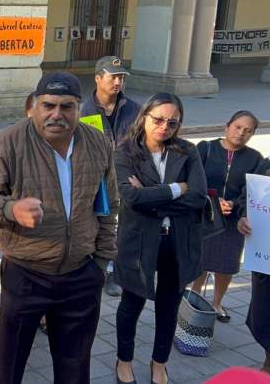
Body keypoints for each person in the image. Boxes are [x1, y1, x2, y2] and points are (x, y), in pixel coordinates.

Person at [0, 72, 118, 384]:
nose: (56, 114)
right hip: (26, 274)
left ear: (79, 108)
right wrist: (11, 209)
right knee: (10, 368)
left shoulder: (97, 143)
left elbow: (108, 206)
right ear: (35, 106)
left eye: (66, 107)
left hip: (81, 274)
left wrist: (101, 264)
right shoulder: (9, 142)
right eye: (48, 105)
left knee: (75, 367)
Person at [112, 93, 207, 384]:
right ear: (144, 117)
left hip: (176, 241)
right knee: (132, 304)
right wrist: (176, 188)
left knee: (168, 307)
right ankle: (124, 360)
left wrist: (151, 197)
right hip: (139, 241)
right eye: (158, 119)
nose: (164, 127)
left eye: (172, 122)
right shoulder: (125, 151)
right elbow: (130, 198)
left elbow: (198, 196)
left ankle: (159, 364)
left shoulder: (187, 151)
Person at [189, 111, 263, 322]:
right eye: (238, 127)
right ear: (227, 126)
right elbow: (192, 179)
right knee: (201, 260)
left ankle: (217, 302)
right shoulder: (206, 148)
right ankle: (193, 299)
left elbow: (252, 190)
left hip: (233, 220)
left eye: (248, 131)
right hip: (205, 215)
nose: (241, 133)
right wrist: (212, 201)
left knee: (227, 264)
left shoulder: (254, 158)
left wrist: (235, 204)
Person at [81, 56, 140, 298]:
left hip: (126, 177)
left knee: (123, 225)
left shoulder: (134, 109)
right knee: (100, 222)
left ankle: (116, 270)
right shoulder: (84, 110)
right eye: (113, 77)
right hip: (96, 177)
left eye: (121, 77)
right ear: (98, 78)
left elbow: (142, 144)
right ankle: (99, 269)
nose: (118, 82)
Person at [237, 158, 270, 375]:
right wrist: (243, 218)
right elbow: (248, 199)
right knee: (263, 316)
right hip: (265, 259)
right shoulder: (266, 166)